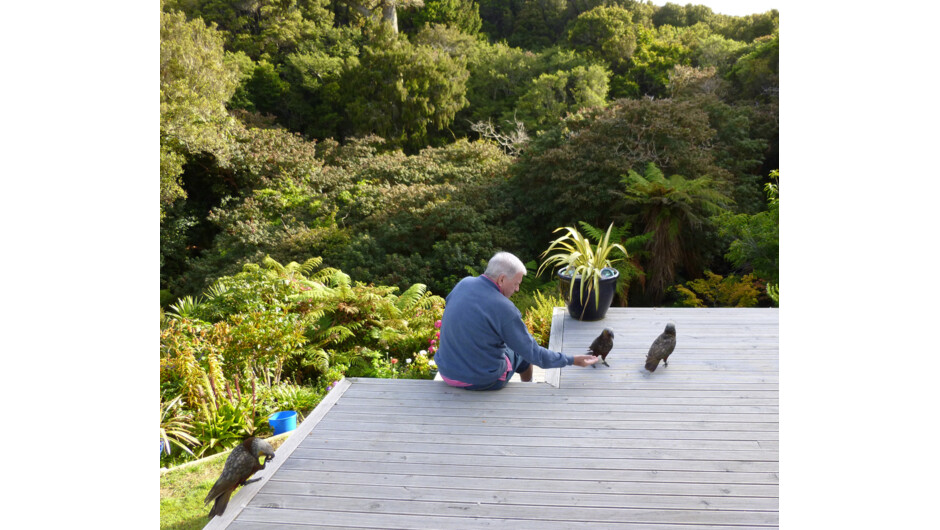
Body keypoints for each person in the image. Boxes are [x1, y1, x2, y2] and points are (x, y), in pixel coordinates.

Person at [434, 251, 599, 390]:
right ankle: (527, 387)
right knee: (522, 352)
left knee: (509, 344)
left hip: (447, 373)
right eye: (516, 284)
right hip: (482, 381)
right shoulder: (504, 308)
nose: (517, 289)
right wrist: (572, 360)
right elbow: (534, 353)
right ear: (502, 279)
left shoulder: (463, 284)